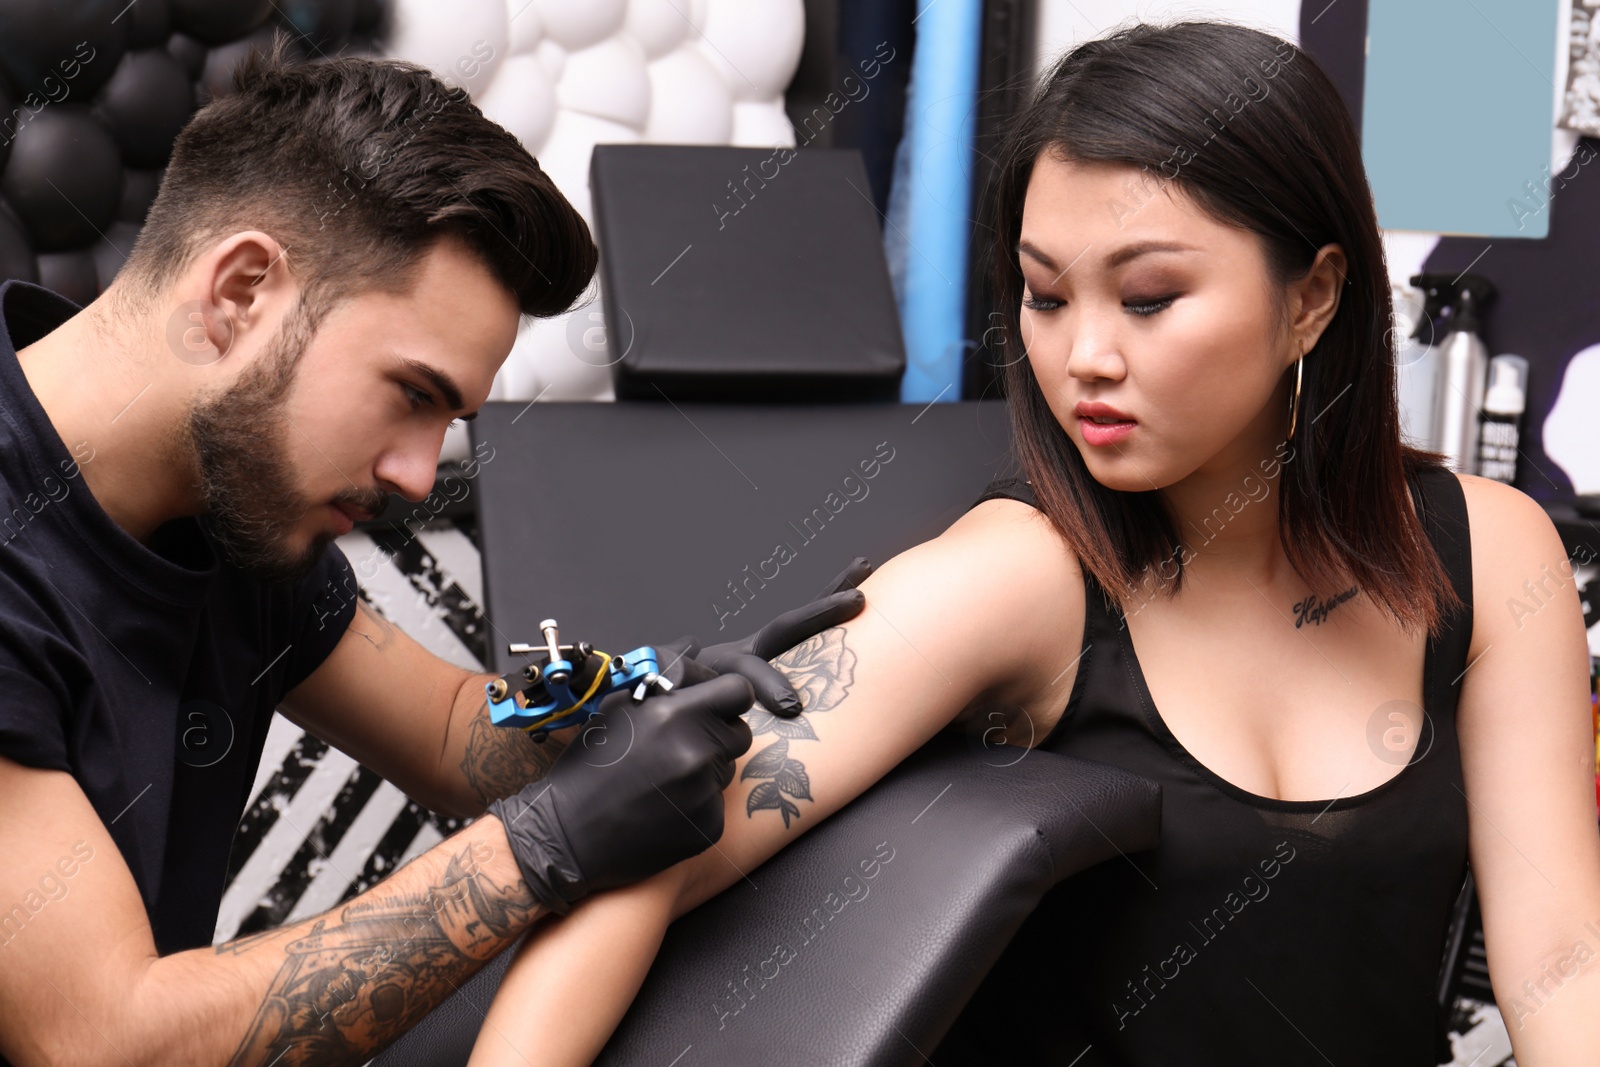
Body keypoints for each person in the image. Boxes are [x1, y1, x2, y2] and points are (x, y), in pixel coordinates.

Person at [462, 20, 1600, 1067]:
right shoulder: (1016, 577)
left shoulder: (1489, 555)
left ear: (1310, 299)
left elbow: (1562, 964)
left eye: (1148, 298)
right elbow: (645, 856)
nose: (1084, 356)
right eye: (1045, 296)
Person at [0, 39, 870, 1067]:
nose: (418, 473)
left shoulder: (224, 496)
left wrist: (622, 690)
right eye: (411, 393)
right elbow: (103, 1040)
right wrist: (544, 845)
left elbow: (458, 729)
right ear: (239, 293)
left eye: (448, 417)